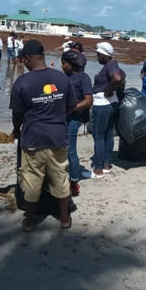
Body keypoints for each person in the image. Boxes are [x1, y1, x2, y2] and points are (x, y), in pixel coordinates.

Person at [10, 40, 77, 231]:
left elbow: (17, 114)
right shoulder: (63, 79)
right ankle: (65, 219)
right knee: (60, 177)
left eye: (23, 60)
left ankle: (30, 221)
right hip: (57, 137)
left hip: (33, 139)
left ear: (28, 58)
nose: (23, 63)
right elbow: (71, 106)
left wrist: (16, 131)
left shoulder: (22, 82)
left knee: (32, 180)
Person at [61, 51, 93, 196]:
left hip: (74, 118)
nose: (62, 66)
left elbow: (88, 101)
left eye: (64, 63)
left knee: (70, 149)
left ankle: (74, 181)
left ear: (71, 64)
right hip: (62, 117)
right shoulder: (65, 77)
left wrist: (71, 109)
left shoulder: (83, 78)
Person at [91, 42, 125, 177]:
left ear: (105, 55)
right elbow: (121, 76)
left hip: (103, 104)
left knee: (99, 136)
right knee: (108, 134)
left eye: (99, 55)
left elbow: (117, 78)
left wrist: (107, 91)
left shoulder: (110, 65)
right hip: (111, 104)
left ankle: (98, 168)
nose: (97, 58)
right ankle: (106, 163)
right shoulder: (113, 65)